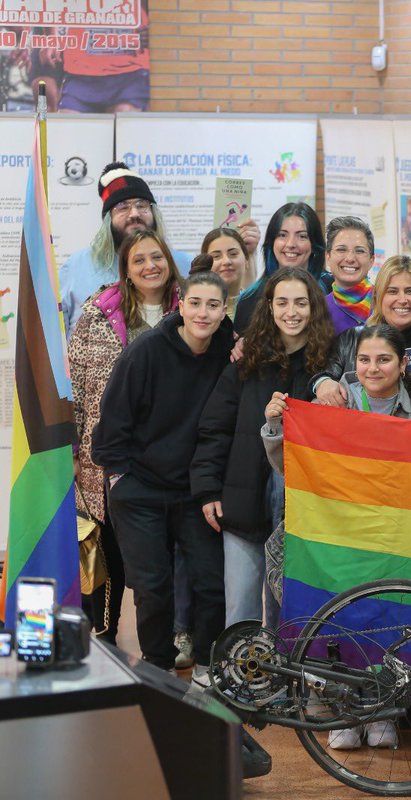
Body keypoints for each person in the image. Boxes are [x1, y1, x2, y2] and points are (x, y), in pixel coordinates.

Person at [262, 323, 411, 751]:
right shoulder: (331, 405)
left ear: (402, 364)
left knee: (385, 620)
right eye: (364, 359)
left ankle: (378, 709)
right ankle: (341, 710)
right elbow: (292, 464)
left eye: (384, 359)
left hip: (393, 538)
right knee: (336, 621)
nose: (373, 368)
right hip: (336, 534)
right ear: (354, 362)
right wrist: (274, 423)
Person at [91, 271, 235, 687]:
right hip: (139, 488)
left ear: (223, 310)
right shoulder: (145, 352)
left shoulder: (228, 349)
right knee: (153, 586)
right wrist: (119, 477)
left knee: (211, 580)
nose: (203, 313)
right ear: (181, 305)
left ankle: (208, 666)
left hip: (195, 490)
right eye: (195, 303)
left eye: (213, 305)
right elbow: (111, 423)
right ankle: (160, 668)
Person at [192, 268, 335, 628]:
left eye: (300, 303)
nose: (291, 312)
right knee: (240, 615)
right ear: (269, 307)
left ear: (314, 307)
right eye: (282, 302)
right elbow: (215, 429)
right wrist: (208, 489)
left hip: (305, 515)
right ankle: (240, 668)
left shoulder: (328, 365)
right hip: (244, 505)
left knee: (291, 617)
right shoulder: (245, 362)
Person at [67, 229, 183, 645]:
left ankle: (170, 641)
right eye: (139, 260)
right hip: (109, 456)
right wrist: (74, 451)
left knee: (166, 558)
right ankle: (103, 635)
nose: (150, 266)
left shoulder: (191, 310)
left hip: (172, 459)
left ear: (169, 262)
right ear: (126, 271)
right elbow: (75, 387)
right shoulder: (96, 315)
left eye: (157, 257)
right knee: (108, 549)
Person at [58, 161, 238, 337]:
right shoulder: (76, 268)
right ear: (108, 219)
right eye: (123, 207)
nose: (134, 213)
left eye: (141, 205)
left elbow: (220, 305)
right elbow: (56, 333)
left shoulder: (183, 264)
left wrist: (245, 256)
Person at [312, 255, 411, 408]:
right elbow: (323, 375)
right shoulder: (351, 338)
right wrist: (323, 382)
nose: (402, 300)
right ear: (378, 297)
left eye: (410, 291)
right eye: (392, 291)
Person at [235, 202, 329, 335]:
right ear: (272, 242)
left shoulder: (332, 291)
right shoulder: (250, 300)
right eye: (282, 235)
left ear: (314, 245)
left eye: (302, 236)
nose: (291, 244)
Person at [323, 216, 376, 335]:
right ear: (328, 257)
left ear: (371, 260)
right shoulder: (318, 309)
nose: (350, 258)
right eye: (341, 250)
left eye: (360, 251)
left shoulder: (385, 303)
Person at [200, 226, 254, 319]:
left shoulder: (259, 306)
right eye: (216, 256)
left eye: (233, 254)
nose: (226, 261)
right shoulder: (196, 309)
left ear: (246, 260)